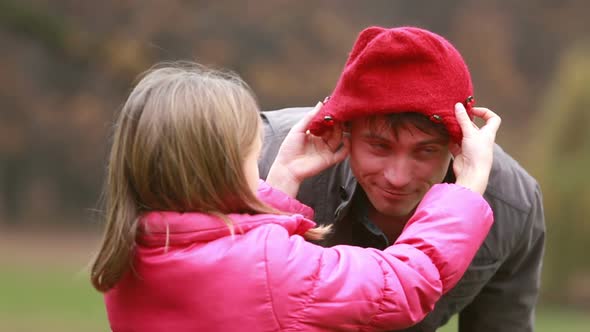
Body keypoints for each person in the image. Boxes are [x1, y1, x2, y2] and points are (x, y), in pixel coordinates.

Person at [90, 62, 501, 331]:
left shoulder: (131, 260)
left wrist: (280, 183)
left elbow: (230, 266)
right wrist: (463, 193)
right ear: (224, 166)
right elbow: (402, 283)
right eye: (255, 154)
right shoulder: (270, 269)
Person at [259, 27, 545, 332]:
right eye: (379, 146)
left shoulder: (512, 203)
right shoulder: (259, 159)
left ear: (457, 144)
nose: (398, 177)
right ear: (346, 129)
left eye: (425, 151)